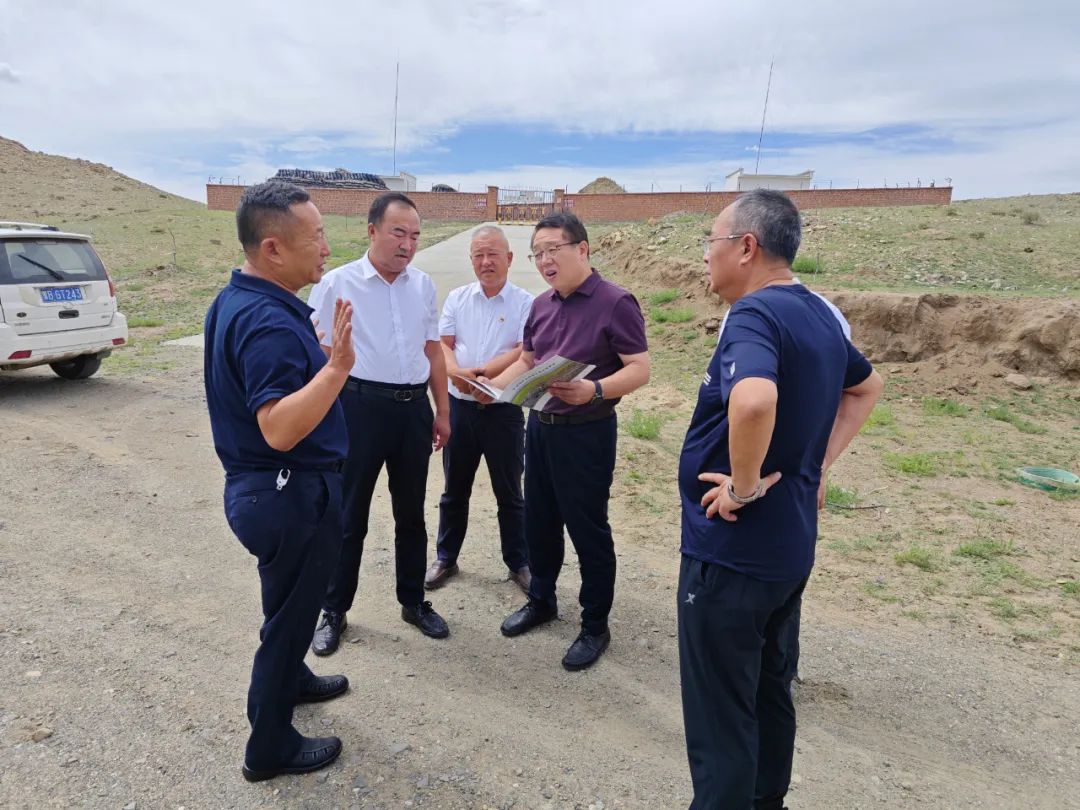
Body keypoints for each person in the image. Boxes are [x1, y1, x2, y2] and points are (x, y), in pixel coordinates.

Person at [677, 189, 883, 809]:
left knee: (722, 717)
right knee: (769, 690)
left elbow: (754, 401)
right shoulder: (819, 313)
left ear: (746, 247)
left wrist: (741, 486)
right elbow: (866, 388)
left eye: (712, 241)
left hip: (733, 554)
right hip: (787, 548)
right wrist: (815, 466)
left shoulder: (754, 314)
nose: (705, 255)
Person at [203, 180, 354, 781]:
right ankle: (268, 748)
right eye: (316, 236)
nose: (326, 248)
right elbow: (279, 428)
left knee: (290, 603)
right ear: (272, 249)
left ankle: (294, 678)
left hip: (268, 492)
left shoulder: (238, 299)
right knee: (289, 622)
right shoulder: (267, 321)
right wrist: (337, 369)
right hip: (289, 492)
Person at [479, 212, 650, 671]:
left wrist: (594, 390)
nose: (544, 260)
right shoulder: (541, 305)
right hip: (541, 428)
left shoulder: (615, 302)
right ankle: (542, 600)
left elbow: (639, 368)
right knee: (538, 520)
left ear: (582, 249)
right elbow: (528, 361)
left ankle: (595, 624)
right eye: (537, 253)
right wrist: (495, 390)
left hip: (588, 432)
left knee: (587, 528)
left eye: (553, 249)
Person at [308, 192, 452, 656]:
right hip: (358, 409)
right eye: (398, 233)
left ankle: (413, 601)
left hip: (412, 412)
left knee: (411, 514)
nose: (408, 244)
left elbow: (433, 350)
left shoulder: (422, 285)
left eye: (415, 236)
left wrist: (442, 411)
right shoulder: (337, 283)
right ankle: (334, 609)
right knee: (348, 516)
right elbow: (320, 354)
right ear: (371, 231)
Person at [423, 225, 535, 593]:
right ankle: (446, 557)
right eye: (479, 255)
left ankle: (518, 561)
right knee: (454, 489)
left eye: (493, 255)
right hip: (461, 408)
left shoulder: (525, 303)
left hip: (504, 412)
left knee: (510, 492)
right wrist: (456, 373)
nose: (486, 262)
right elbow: (443, 343)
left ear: (509, 258)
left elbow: (524, 350)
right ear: (471, 259)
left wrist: (489, 378)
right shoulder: (458, 298)